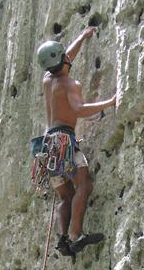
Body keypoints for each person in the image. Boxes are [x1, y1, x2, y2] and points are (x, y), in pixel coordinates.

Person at [36, 27, 116, 255]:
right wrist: (109, 102)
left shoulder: (48, 79)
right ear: (62, 61)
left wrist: (81, 38)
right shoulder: (70, 84)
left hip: (47, 146)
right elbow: (79, 110)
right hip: (64, 142)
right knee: (84, 185)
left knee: (65, 195)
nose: (69, 58)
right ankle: (76, 235)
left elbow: (64, 57)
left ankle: (62, 240)